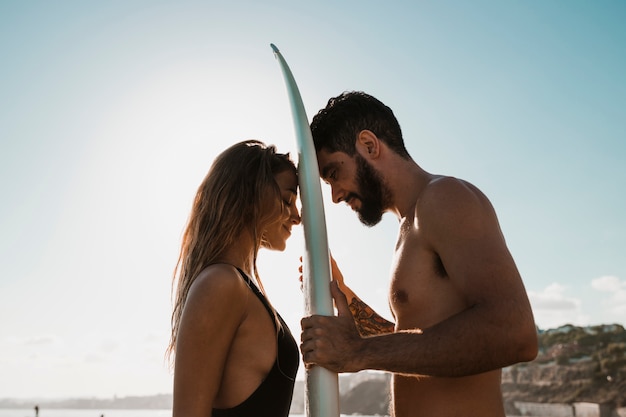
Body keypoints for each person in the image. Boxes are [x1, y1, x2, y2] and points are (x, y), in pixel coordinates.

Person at [300, 91, 539, 417]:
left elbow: (514, 332)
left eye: (334, 173)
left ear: (369, 146)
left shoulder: (444, 199)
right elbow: (419, 341)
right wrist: (347, 299)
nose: (336, 195)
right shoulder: (409, 226)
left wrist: (357, 352)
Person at [167, 140, 302, 417]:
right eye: (288, 199)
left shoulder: (236, 285)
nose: (298, 217)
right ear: (251, 196)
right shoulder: (221, 284)